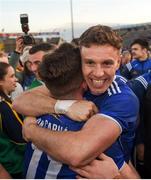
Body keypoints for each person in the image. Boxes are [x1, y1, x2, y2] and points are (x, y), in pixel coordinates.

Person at [13, 25, 139, 178]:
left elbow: (77, 152)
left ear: (118, 62)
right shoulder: (75, 79)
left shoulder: (122, 98)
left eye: (107, 63)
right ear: (80, 61)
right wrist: (65, 107)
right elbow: (20, 101)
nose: (98, 73)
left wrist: (31, 130)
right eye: (90, 62)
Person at [0, 62, 26, 178]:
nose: (16, 80)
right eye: (11, 76)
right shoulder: (5, 108)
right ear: (0, 81)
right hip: (14, 168)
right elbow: (22, 141)